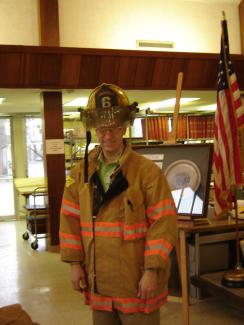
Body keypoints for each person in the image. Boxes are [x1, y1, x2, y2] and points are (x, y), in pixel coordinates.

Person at [59, 83, 178, 325]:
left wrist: (152, 271)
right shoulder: (81, 173)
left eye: (113, 128)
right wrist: (74, 264)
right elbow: (69, 220)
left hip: (136, 285)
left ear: (123, 128)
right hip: (99, 284)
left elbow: (163, 224)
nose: (108, 135)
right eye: (102, 129)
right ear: (94, 130)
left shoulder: (148, 173)